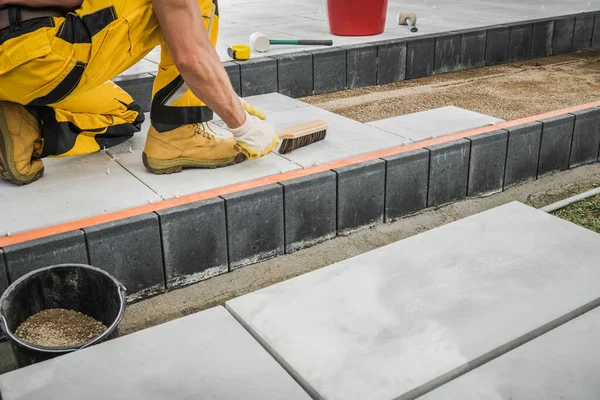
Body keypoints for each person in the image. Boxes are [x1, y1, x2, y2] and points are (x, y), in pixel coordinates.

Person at [0, 0, 279, 185]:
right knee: (193, 3)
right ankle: (177, 131)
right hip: (35, 53)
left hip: (12, 66)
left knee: (124, 115)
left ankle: (28, 127)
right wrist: (242, 124)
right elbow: (190, 53)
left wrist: (220, 93)